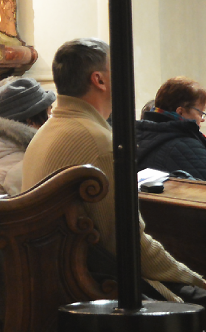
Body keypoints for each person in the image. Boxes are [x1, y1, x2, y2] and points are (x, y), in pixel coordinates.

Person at [22, 38, 206, 303]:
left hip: (55, 279)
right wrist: (195, 278)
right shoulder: (99, 142)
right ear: (99, 80)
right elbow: (129, 246)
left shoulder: (46, 132)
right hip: (98, 291)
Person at [135, 77, 206, 179]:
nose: (202, 119)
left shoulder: (139, 135)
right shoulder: (185, 145)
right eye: (200, 113)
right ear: (180, 112)